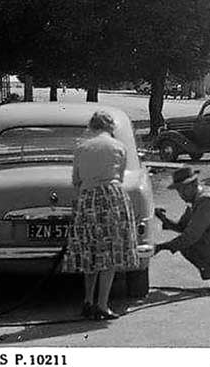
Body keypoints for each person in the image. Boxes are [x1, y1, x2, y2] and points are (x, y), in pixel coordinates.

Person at [64, 110, 139, 320]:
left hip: (87, 198)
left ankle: (88, 300)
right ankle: (102, 304)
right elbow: (120, 176)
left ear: (92, 126)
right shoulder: (119, 147)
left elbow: (76, 179)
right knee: (110, 253)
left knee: (90, 252)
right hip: (112, 197)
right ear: (110, 127)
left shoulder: (81, 147)